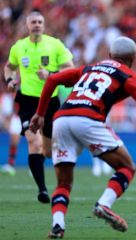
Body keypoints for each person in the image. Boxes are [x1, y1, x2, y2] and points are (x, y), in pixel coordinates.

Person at [29, 36, 136, 238]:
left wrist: (40, 113)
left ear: (110, 55)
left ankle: (57, 225)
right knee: (127, 167)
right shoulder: (129, 76)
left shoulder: (88, 69)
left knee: (63, 184)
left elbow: (53, 79)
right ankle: (103, 205)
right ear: (132, 58)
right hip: (88, 119)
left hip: (61, 120)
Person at [3, 11, 74, 203]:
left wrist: (51, 73)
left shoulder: (55, 44)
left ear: (44, 25)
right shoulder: (19, 47)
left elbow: (70, 67)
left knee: (48, 151)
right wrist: (9, 79)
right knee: (34, 143)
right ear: (27, 25)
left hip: (50, 101)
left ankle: (39, 162)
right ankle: (42, 190)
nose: (37, 25)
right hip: (27, 101)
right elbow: (9, 66)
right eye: (33, 22)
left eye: (40, 22)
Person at [0, 92, 21, 176]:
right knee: (14, 140)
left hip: (24, 116)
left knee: (35, 141)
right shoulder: (6, 96)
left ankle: (36, 165)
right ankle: (11, 164)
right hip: (15, 117)